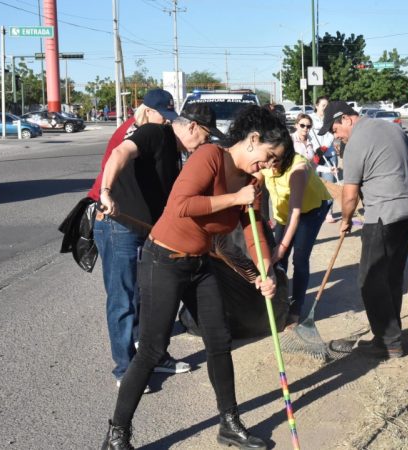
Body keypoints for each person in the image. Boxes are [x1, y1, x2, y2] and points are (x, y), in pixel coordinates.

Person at [100, 105, 293, 450]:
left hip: (201, 264)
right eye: (267, 157)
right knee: (152, 349)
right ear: (252, 140)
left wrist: (267, 271)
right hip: (164, 260)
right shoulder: (209, 156)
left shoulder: (251, 183)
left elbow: (253, 231)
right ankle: (117, 433)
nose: (266, 166)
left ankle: (229, 424)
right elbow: (181, 205)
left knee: (219, 342)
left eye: (272, 163)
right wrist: (236, 197)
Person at [88, 89, 202, 390]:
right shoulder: (149, 131)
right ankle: (125, 369)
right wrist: (107, 193)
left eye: (168, 116)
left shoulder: (170, 145)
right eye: (201, 137)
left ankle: (154, 356)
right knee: (123, 297)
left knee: (149, 296)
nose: (201, 144)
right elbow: (119, 154)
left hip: (145, 228)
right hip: (119, 225)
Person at [318, 100, 408, 360]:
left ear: (346, 119)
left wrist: (345, 220)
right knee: (391, 275)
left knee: (370, 279)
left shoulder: (355, 144)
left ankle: (388, 342)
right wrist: (391, 171)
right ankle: (389, 336)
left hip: (384, 214)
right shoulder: (390, 127)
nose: (336, 135)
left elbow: (350, 195)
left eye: (334, 129)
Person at [257, 116, 333, 327]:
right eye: (267, 160)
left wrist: (281, 248)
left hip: (311, 210)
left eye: (276, 161)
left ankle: (297, 308)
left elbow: (295, 214)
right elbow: (255, 189)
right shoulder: (265, 162)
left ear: (285, 155)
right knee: (278, 261)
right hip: (283, 214)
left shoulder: (298, 169)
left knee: (298, 258)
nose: (270, 166)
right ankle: (279, 306)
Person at [309, 97, 340, 223]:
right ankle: (316, 211)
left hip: (329, 154)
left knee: (330, 185)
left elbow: (332, 134)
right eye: (323, 105)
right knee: (315, 185)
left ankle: (328, 213)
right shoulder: (310, 118)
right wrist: (316, 149)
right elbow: (309, 135)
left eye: (327, 106)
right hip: (315, 155)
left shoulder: (331, 118)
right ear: (316, 105)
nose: (325, 108)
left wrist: (324, 147)